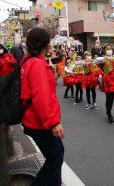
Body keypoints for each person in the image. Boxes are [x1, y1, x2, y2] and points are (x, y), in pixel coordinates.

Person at [20, 28, 64, 186]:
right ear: (45, 44)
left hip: (34, 119)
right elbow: (41, 98)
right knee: (55, 159)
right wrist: (53, 123)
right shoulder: (37, 64)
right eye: (49, 41)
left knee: (58, 155)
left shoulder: (27, 61)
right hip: (39, 122)